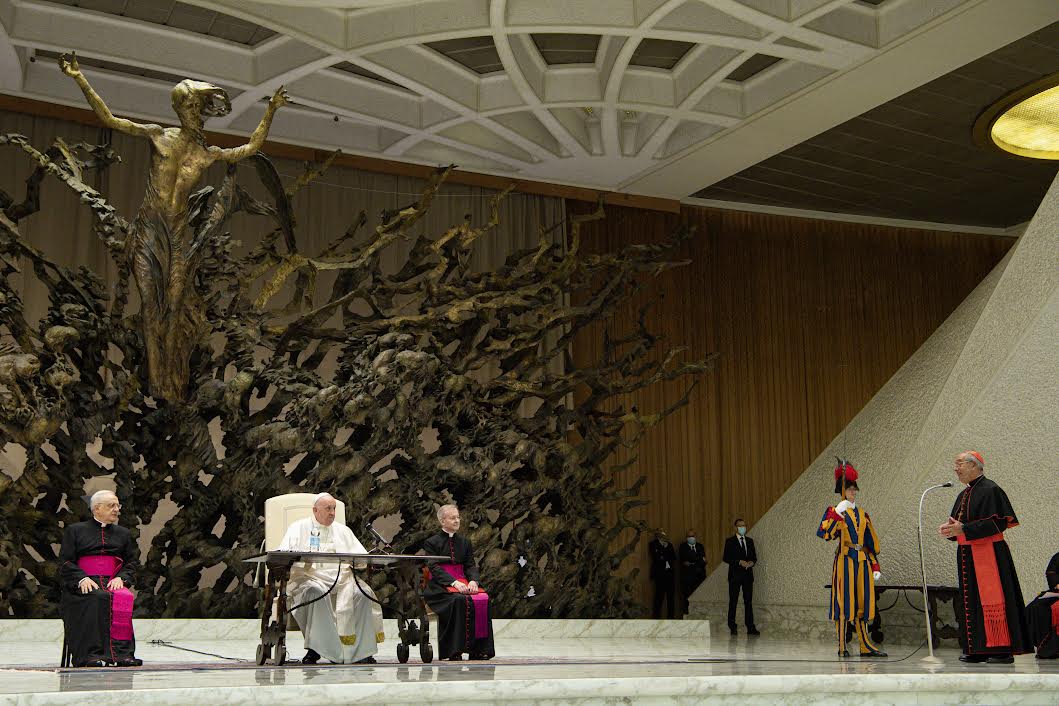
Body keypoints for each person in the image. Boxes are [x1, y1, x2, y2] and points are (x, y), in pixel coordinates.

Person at [939, 451, 1032, 663]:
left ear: (974, 465)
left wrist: (964, 529)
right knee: (971, 600)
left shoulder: (991, 490)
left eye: (959, 463)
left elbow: (998, 523)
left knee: (994, 598)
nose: (955, 468)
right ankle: (977, 649)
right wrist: (951, 530)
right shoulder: (963, 494)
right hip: (967, 555)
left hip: (990, 554)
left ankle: (1001, 650)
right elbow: (960, 526)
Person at [276, 493, 384, 664]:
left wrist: (360, 561)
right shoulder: (298, 528)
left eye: (334, 508)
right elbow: (283, 556)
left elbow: (361, 559)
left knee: (363, 593)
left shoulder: (343, 531)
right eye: (328, 508)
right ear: (315, 510)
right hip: (308, 578)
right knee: (315, 592)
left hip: (343, 580)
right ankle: (316, 649)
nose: (332, 512)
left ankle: (361, 652)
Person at [58, 490, 141, 667]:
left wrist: (122, 578)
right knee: (98, 597)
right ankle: (90, 655)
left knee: (123, 596)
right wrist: (81, 578)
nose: (117, 509)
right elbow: (65, 562)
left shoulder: (123, 533)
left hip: (112, 581)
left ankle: (122, 654)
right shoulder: (75, 530)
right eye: (111, 506)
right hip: (83, 584)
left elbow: (132, 562)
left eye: (118, 505)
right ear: (97, 508)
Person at [816, 459, 886, 658]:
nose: (853, 492)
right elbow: (826, 534)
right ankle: (842, 646)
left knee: (862, 602)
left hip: (862, 561)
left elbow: (870, 543)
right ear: (842, 491)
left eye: (855, 489)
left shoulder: (863, 515)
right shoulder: (835, 511)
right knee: (843, 601)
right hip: (844, 561)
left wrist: (875, 565)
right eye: (849, 489)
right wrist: (837, 513)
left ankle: (865, 646)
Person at [422, 504, 495, 661]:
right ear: (442, 521)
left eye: (458, 517)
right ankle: (454, 651)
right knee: (459, 600)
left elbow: (470, 565)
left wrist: (474, 581)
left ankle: (479, 650)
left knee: (483, 598)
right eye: (452, 518)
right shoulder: (431, 542)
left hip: (463, 582)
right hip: (439, 587)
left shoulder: (465, 542)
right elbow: (434, 567)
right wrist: (454, 583)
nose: (457, 520)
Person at [723, 518, 759, 635]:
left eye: (744, 526)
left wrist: (752, 562)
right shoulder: (730, 541)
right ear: (735, 527)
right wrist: (739, 562)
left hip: (748, 576)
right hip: (735, 576)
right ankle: (732, 626)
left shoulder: (750, 541)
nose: (742, 528)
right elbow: (726, 558)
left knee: (748, 602)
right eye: (740, 526)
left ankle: (750, 627)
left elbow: (754, 557)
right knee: (733, 601)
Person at [1027, 552, 1059, 659]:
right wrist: (1057, 584)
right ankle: (1044, 649)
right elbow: (1051, 575)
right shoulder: (1058, 556)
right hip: (1056, 593)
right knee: (1036, 607)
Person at [648, 530, 677, 618]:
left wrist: (664, 555)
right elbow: (656, 557)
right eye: (661, 534)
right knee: (659, 597)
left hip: (669, 574)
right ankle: (657, 617)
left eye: (664, 534)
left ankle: (671, 618)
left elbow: (673, 557)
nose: (663, 535)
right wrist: (664, 550)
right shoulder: (653, 544)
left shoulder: (669, 544)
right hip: (660, 574)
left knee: (670, 597)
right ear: (657, 535)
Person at [678, 529, 707, 616]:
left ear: (695, 536)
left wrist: (693, 561)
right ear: (686, 537)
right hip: (687, 578)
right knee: (687, 597)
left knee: (700, 596)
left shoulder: (700, 546)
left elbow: (704, 561)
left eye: (692, 536)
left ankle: (699, 614)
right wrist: (699, 559)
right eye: (689, 536)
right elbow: (684, 559)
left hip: (700, 576)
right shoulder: (683, 547)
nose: (691, 538)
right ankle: (687, 615)